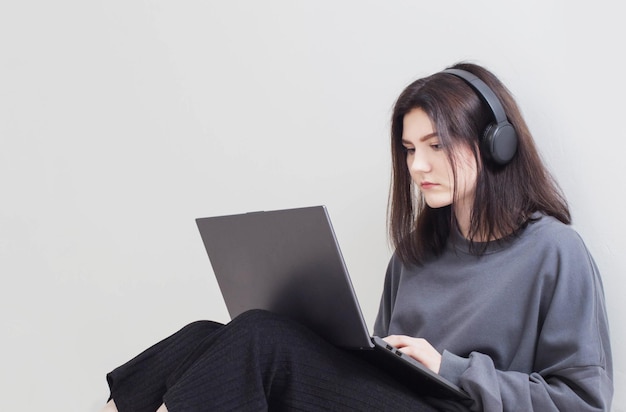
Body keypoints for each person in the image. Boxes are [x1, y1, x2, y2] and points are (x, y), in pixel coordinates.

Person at [101, 62, 613, 412]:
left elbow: (584, 400)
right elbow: (375, 374)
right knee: (208, 335)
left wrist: (449, 367)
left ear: (495, 144)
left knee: (260, 338)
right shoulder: (417, 253)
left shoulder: (554, 253)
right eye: (410, 149)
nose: (418, 165)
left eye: (435, 145)